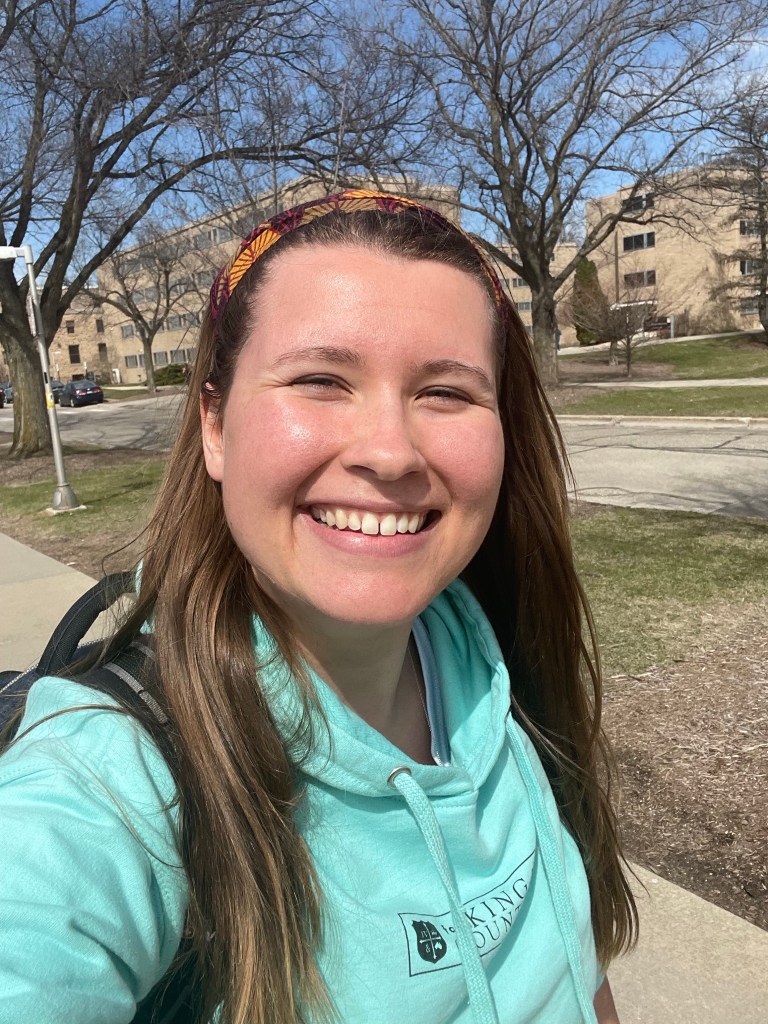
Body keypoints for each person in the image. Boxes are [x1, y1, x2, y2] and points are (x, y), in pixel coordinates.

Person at [0, 188, 637, 1024]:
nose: (390, 452)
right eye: (320, 380)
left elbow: (575, 969)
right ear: (216, 426)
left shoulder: (502, 665)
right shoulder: (110, 781)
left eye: (446, 392)